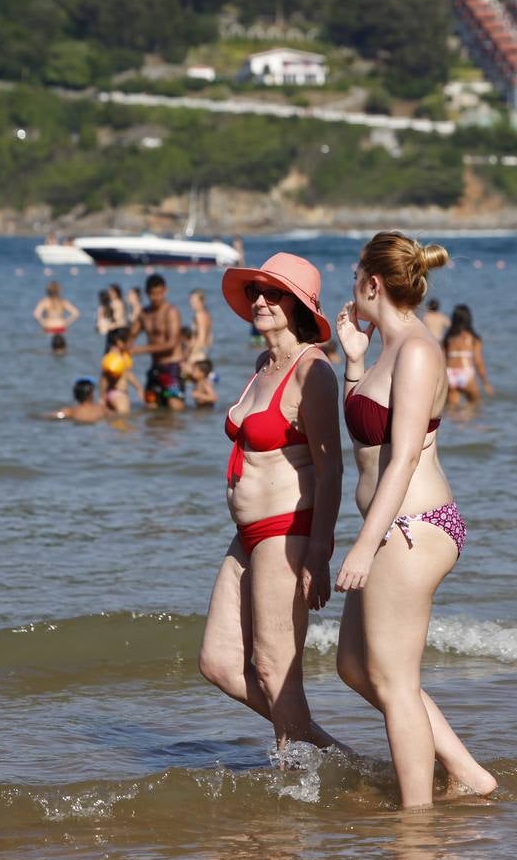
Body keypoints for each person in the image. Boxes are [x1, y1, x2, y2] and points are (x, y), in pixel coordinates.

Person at [334, 231, 497, 808]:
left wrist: (363, 543)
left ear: (372, 283)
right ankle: (467, 772)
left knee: (395, 682)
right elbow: (364, 437)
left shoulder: (419, 351)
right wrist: (352, 361)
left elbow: (401, 457)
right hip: (390, 528)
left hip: (412, 526)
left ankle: (416, 819)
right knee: (354, 666)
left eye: (355, 276)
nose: (350, 287)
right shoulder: (386, 349)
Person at [198, 251, 344, 754]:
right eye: (255, 292)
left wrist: (320, 552)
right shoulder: (264, 364)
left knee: (273, 669)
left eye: (273, 293)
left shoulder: (313, 373)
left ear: (299, 305)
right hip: (248, 534)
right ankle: (328, 756)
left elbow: (331, 468)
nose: (259, 300)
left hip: (288, 531)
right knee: (217, 662)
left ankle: (293, 800)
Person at [128, 274, 186, 409]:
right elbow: (130, 336)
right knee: (150, 406)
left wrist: (140, 350)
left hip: (172, 367)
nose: (156, 297)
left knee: (175, 407)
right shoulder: (144, 313)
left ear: (165, 291)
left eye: (159, 293)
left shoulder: (171, 312)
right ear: (147, 293)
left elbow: (171, 344)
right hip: (155, 368)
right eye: (153, 294)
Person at [442, 304, 494, 405]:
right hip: (466, 373)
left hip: (450, 374)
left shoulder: (448, 338)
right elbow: (478, 362)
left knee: (452, 410)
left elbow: (442, 359)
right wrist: (485, 383)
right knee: (475, 407)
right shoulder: (474, 339)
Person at [100, 329, 143, 415]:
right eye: (128, 342)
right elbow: (105, 378)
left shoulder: (112, 357)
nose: (130, 345)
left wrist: (102, 397)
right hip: (120, 395)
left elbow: (104, 378)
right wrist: (138, 387)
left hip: (111, 394)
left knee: (114, 425)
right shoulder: (116, 358)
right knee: (124, 424)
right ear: (119, 342)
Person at [189, 288, 214, 362]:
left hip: (197, 354)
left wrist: (191, 355)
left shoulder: (199, 315)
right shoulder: (207, 314)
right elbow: (210, 339)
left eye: (194, 301)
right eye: (190, 300)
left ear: (202, 301)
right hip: (205, 352)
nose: (191, 303)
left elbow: (201, 338)